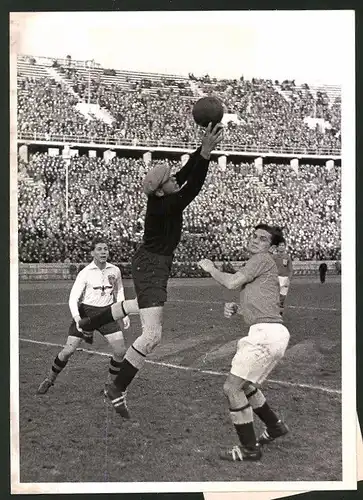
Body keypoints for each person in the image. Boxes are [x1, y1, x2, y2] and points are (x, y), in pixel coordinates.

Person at [78, 123, 224, 418]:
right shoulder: (165, 205)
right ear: (161, 189)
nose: (175, 180)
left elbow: (185, 175)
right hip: (152, 265)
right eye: (170, 179)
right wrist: (205, 156)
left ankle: (90, 322)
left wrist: (202, 151)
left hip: (151, 262)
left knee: (138, 306)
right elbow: (193, 185)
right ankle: (117, 387)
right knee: (152, 335)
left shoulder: (162, 197)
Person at [198, 224, 290, 462]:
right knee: (247, 386)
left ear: (270, 247)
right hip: (271, 332)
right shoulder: (262, 264)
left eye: (262, 239)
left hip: (265, 334)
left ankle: (250, 449)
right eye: (254, 236)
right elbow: (263, 305)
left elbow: (231, 283)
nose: (256, 240)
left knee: (232, 388)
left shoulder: (261, 258)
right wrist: (239, 309)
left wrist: (211, 268)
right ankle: (275, 425)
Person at [37, 238, 130, 394]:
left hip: (107, 313)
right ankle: (49, 380)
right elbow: (73, 298)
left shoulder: (115, 270)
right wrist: (77, 318)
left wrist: (123, 312)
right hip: (86, 313)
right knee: (68, 350)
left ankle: (109, 386)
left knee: (120, 351)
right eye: (99, 249)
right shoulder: (85, 273)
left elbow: (119, 291)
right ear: (92, 252)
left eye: (105, 249)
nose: (103, 252)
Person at [272, 238, 293, 315]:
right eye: (280, 245)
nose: (281, 247)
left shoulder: (287, 257)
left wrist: (288, 279)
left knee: (282, 298)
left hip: (285, 279)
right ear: (277, 247)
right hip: (275, 279)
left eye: (283, 245)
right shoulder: (273, 257)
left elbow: (290, 270)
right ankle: (273, 313)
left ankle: (279, 315)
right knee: (274, 297)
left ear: (285, 247)